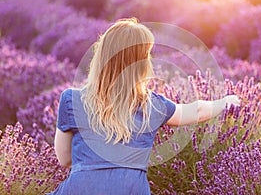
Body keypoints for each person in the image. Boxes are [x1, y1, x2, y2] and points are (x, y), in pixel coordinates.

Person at [48, 18, 240, 195]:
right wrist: (225, 103)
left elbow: (64, 160)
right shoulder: (152, 106)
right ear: (141, 64)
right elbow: (196, 110)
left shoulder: (71, 99)